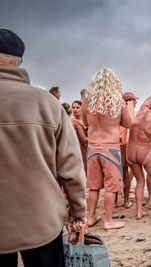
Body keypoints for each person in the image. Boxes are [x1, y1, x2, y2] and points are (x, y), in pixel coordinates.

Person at [0, 29, 86, 267]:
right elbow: (70, 166)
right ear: (19, 61)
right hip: (41, 219)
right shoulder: (47, 104)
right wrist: (78, 210)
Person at [82, 67, 133, 230]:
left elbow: (84, 122)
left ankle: (91, 217)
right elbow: (128, 123)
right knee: (111, 185)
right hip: (110, 147)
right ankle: (108, 220)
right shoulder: (116, 99)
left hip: (92, 147)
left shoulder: (87, 99)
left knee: (94, 186)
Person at [118, 92, 137, 208]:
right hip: (124, 144)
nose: (135, 103)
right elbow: (131, 126)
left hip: (115, 143)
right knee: (125, 174)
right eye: (134, 100)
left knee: (115, 174)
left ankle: (115, 202)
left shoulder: (116, 109)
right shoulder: (127, 109)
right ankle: (125, 201)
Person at [71, 100, 88, 174]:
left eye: (77, 107)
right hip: (73, 150)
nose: (75, 109)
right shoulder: (70, 122)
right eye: (73, 107)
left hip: (84, 150)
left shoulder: (87, 122)